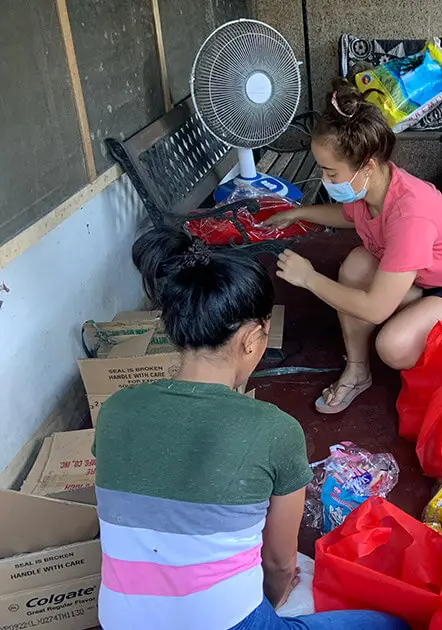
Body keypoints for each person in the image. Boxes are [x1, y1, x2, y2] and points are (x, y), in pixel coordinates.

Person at [91, 226, 408, 630]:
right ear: (251, 339)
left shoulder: (117, 408)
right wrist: (272, 605)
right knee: (389, 625)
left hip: (120, 623)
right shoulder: (274, 429)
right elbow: (279, 564)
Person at [265, 83, 442, 414]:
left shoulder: (411, 215)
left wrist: (308, 278)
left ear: (367, 166)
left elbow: (374, 309)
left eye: (331, 172)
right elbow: (347, 215)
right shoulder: (373, 189)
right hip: (428, 278)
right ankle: (358, 370)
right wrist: (298, 211)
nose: (324, 179)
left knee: (393, 345)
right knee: (356, 265)